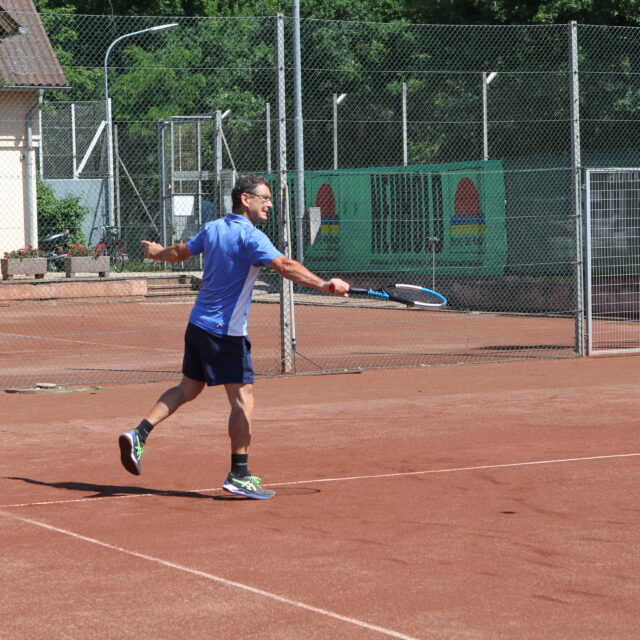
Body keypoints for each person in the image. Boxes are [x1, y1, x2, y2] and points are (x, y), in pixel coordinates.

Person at [118, 174, 350, 500]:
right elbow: (284, 265)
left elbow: (181, 251)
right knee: (244, 400)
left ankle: (139, 433)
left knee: (188, 388)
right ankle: (239, 474)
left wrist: (157, 254)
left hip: (198, 326)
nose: (270, 204)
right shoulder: (251, 237)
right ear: (245, 199)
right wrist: (325, 284)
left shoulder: (213, 228)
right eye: (264, 198)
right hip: (225, 333)